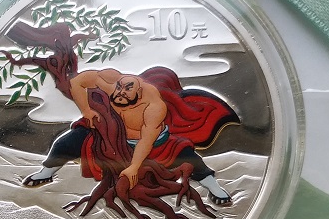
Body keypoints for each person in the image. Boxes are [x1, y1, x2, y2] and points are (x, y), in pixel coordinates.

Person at [20, 66, 238, 206]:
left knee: (187, 156)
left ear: (139, 93)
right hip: (108, 133)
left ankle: (213, 187)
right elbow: (76, 83)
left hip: (148, 142)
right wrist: (86, 110)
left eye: (127, 92)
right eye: (118, 90)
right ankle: (46, 172)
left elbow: (146, 139)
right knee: (68, 142)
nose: (120, 94)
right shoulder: (107, 81)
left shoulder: (153, 106)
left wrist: (133, 167)